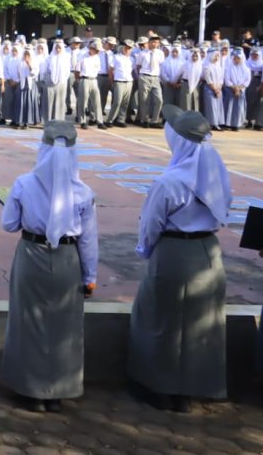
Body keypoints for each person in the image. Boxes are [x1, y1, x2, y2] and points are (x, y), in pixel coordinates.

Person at [128, 104, 231, 413]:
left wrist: (146, 251)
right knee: (202, 322)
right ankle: (192, 389)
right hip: (209, 253)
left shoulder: (168, 182)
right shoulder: (217, 174)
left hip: (173, 252)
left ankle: (159, 388)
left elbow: (151, 226)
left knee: (161, 320)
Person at [0, 121, 98, 412]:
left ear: (42, 148)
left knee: (29, 321)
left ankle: (30, 389)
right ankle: (57, 391)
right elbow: (89, 241)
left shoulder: (23, 183)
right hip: (68, 260)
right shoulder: (83, 192)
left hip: (31, 254)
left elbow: (8, 224)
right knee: (63, 325)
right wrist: (90, 277)